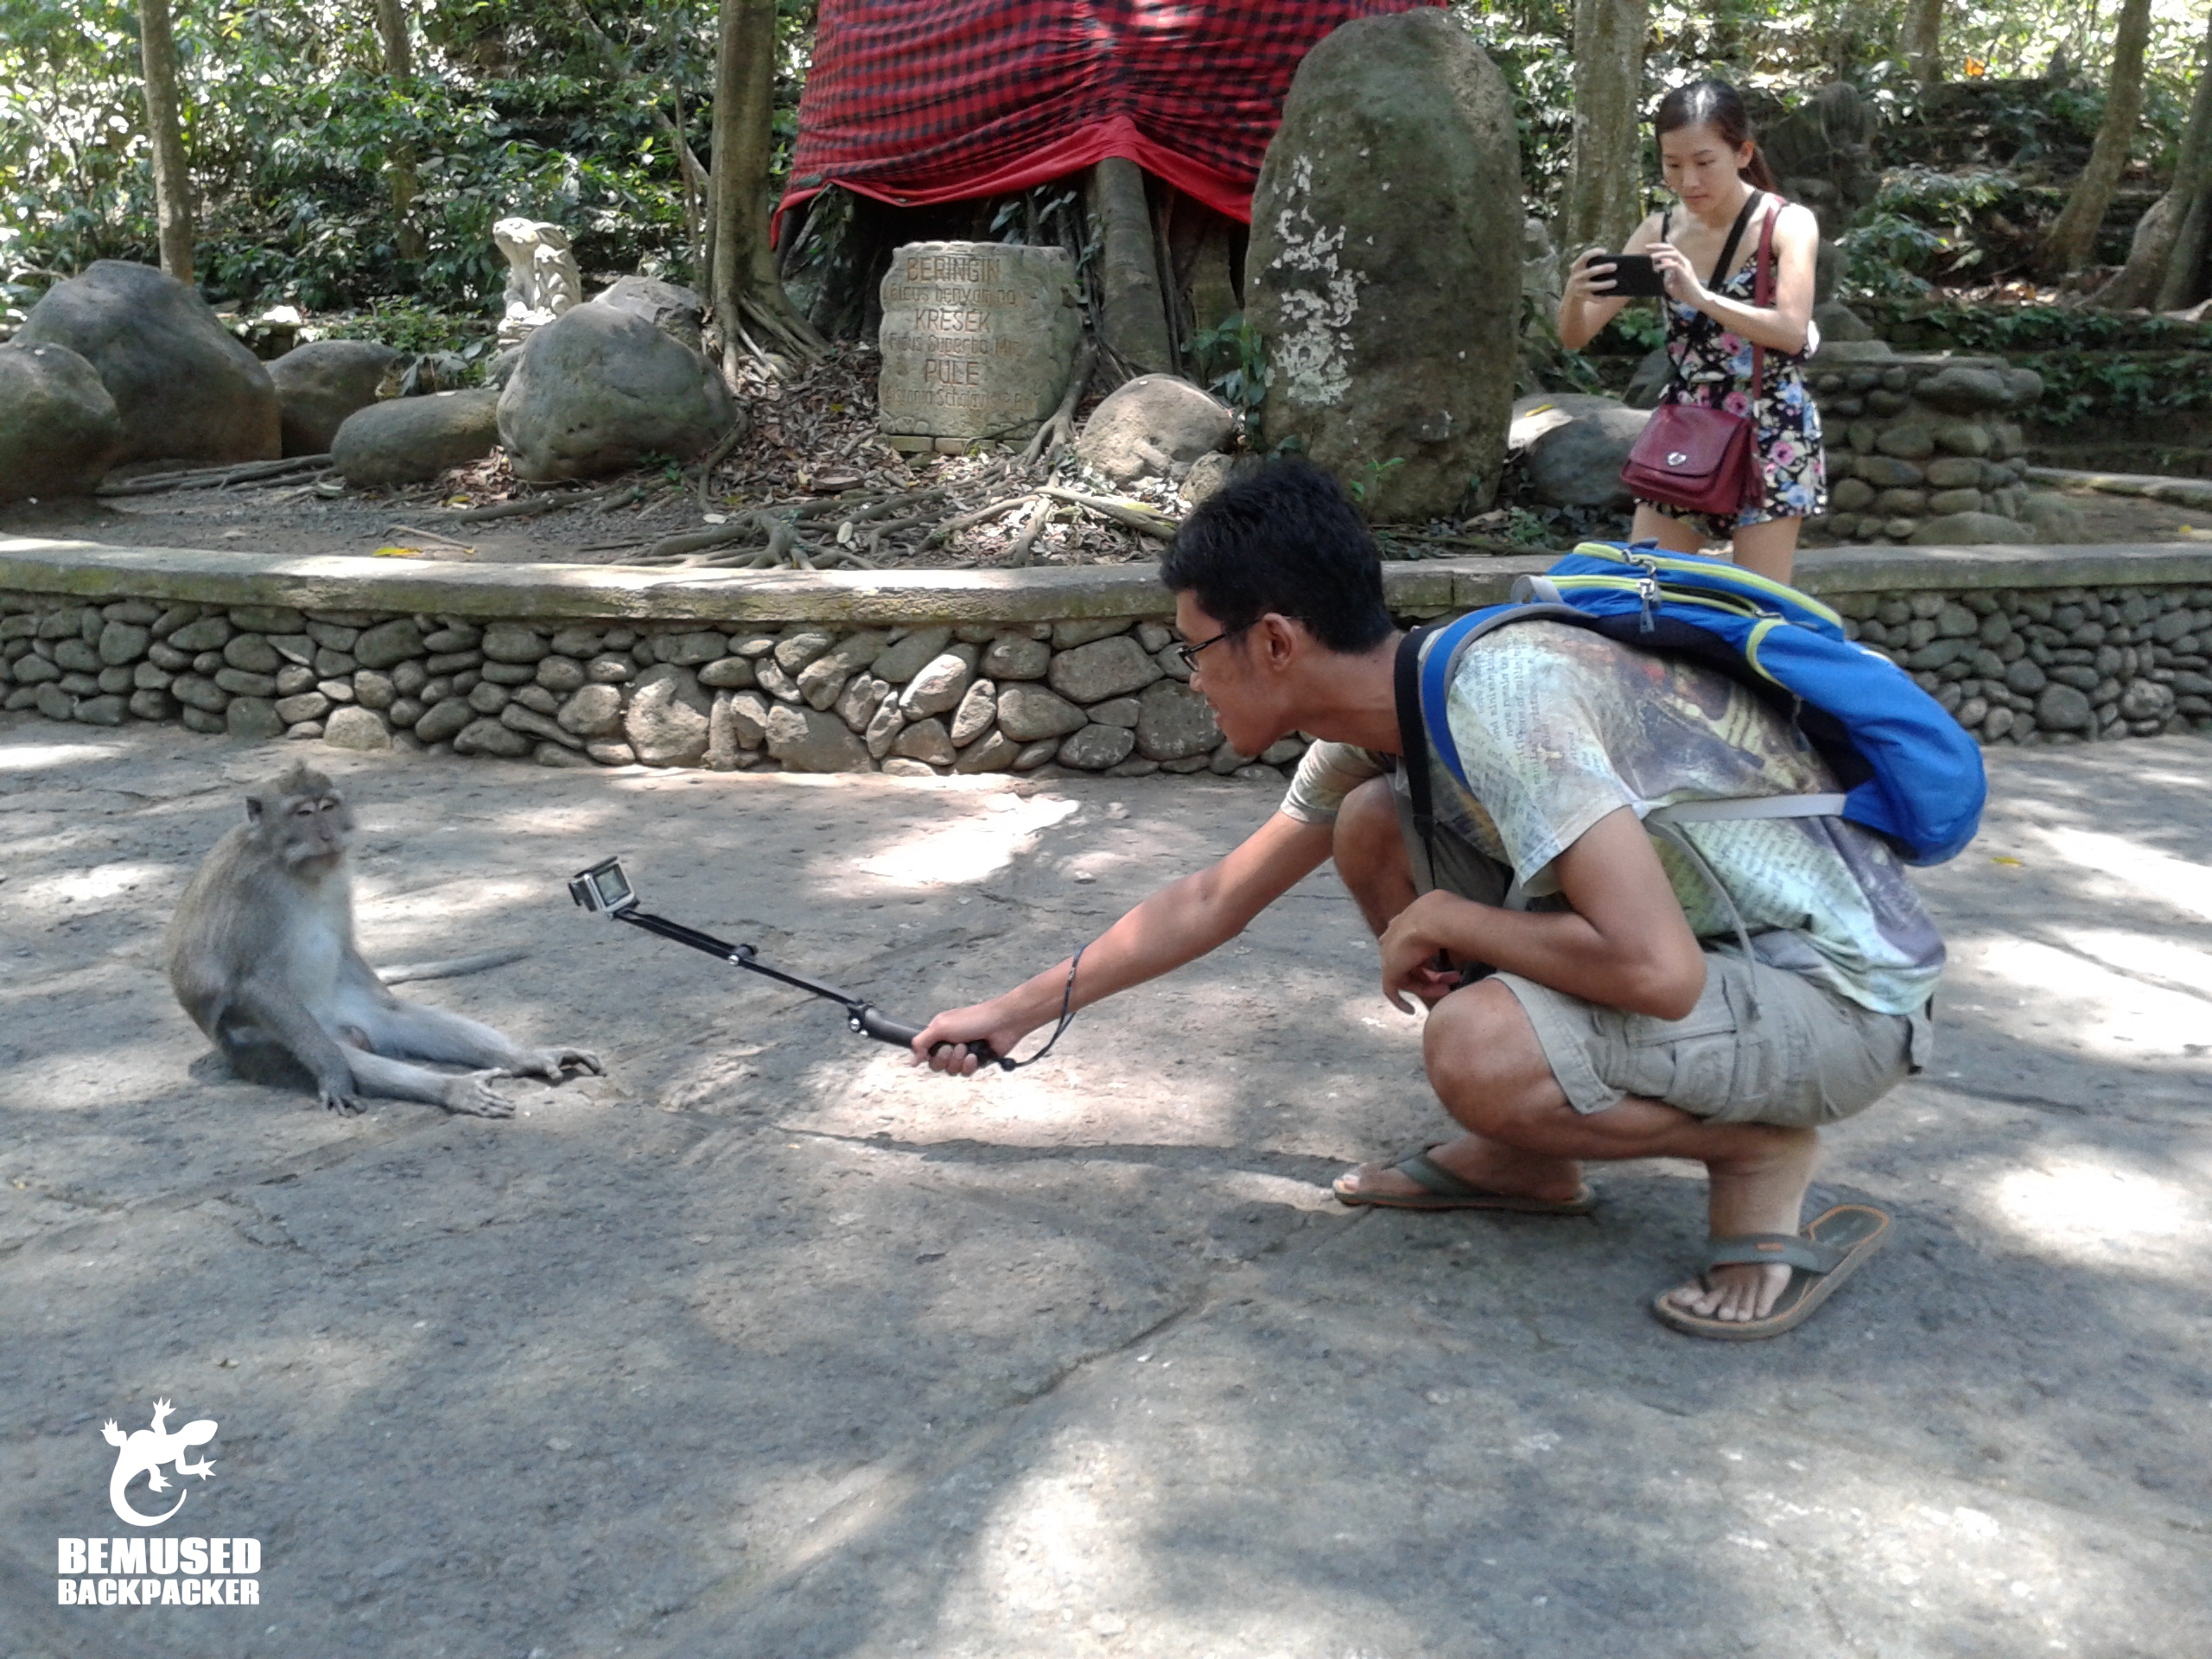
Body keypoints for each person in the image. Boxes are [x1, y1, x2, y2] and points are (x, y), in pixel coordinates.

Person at [910, 461, 1941, 1339]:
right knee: (1371, 821)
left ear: (1273, 642)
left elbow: (1655, 975)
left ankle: (1757, 1152)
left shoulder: (1504, 698)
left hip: (1840, 1003)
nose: (1192, 679)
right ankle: (1526, 1157)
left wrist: (1449, 920)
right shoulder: (1397, 702)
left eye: (1194, 649)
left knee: (1478, 1051)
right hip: (1729, 972)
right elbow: (1214, 898)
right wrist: (1008, 1015)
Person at [1558, 78, 1826, 585]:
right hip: (1686, 430)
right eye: (1672, 164)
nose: (1688, 181)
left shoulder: (1788, 225)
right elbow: (1576, 337)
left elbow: (1791, 332)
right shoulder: (1657, 232)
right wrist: (1573, 296)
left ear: (1743, 152)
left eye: (1704, 162)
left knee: (1760, 608)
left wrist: (1702, 298)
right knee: (1646, 594)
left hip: (1769, 432)